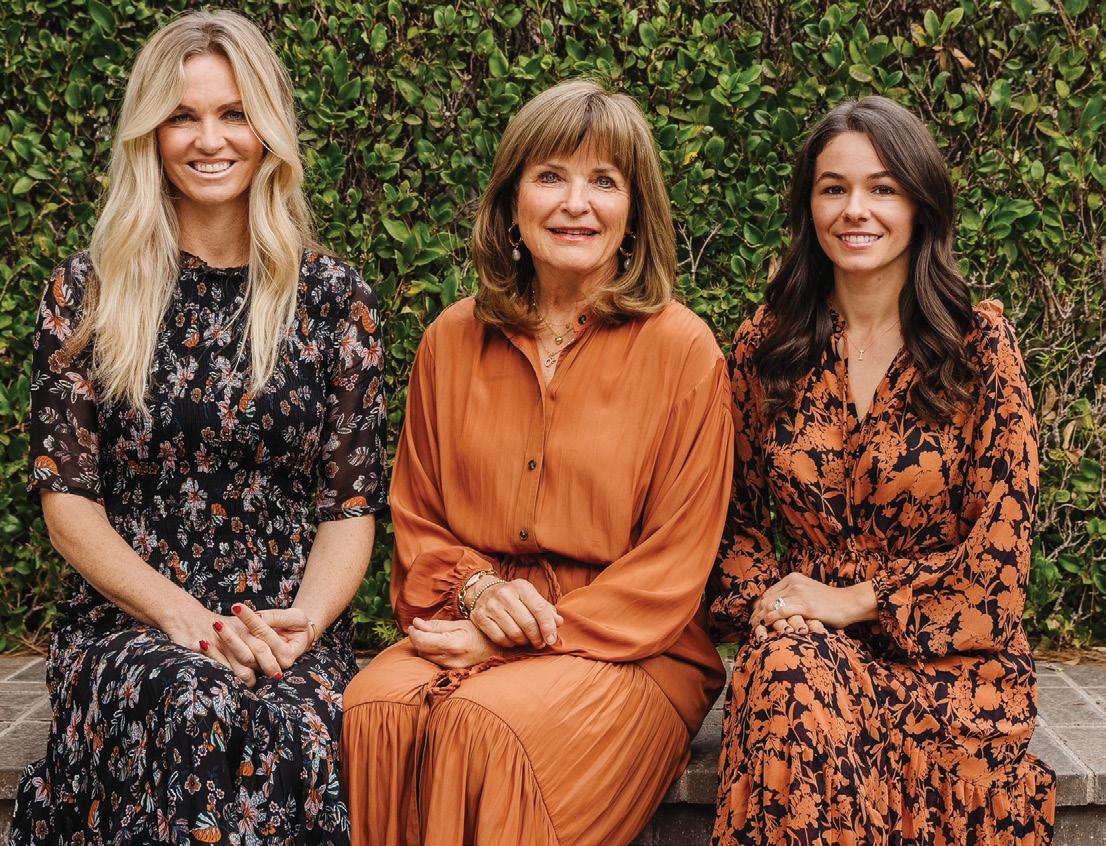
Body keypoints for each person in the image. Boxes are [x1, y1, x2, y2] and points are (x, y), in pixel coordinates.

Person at [11, 10, 386, 844]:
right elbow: (68, 506)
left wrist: (302, 627)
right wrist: (186, 620)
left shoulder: (334, 299)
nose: (210, 139)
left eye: (234, 113)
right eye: (183, 115)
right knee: (194, 701)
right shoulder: (87, 293)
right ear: (151, 132)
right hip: (131, 622)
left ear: (268, 130)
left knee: (291, 723)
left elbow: (349, 508)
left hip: (283, 620)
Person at [340, 78, 734, 846]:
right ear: (512, 202)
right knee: (373, 709)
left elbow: (674, 565)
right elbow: (417, 521)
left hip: (635, 646)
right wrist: (480, 592)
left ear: (634, 212)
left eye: (604, 182)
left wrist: (521, 635)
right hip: (472, 613)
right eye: (551, 176)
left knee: (483, 727)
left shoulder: (684, 352)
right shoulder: (450, 342)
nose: (575, 203)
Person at [709, 95, 1055, 844]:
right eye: (833, 188)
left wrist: (853, 601)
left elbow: (999, 562)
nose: (854, 210)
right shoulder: (767, 347)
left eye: (882, 188)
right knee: (791, 674)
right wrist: (777, 604)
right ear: (809, 206)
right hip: (804, 649)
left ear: (919, 205)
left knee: (793, 687)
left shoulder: (978, 348)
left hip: (951, 670)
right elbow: (728, 521)